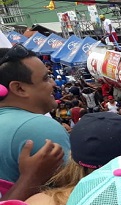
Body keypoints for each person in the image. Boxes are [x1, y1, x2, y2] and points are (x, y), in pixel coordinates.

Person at [0, 44, 69, 194]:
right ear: (19, 88)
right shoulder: (37, 127)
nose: (53, 84)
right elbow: (80, 192)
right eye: (45, 79)